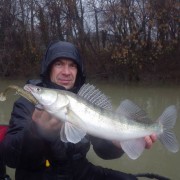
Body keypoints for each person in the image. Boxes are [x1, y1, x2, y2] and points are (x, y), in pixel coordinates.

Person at [1, 41, 157, 180]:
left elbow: (103, 152)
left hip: (79, 170)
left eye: (72, 65)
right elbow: (10, 158)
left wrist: (117, 144)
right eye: (59, 64)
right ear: (48, 68)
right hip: (39, 174)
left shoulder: (84, 100)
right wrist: (34, 132)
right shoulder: (27, 103)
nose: (66, 72)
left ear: (78, 70)